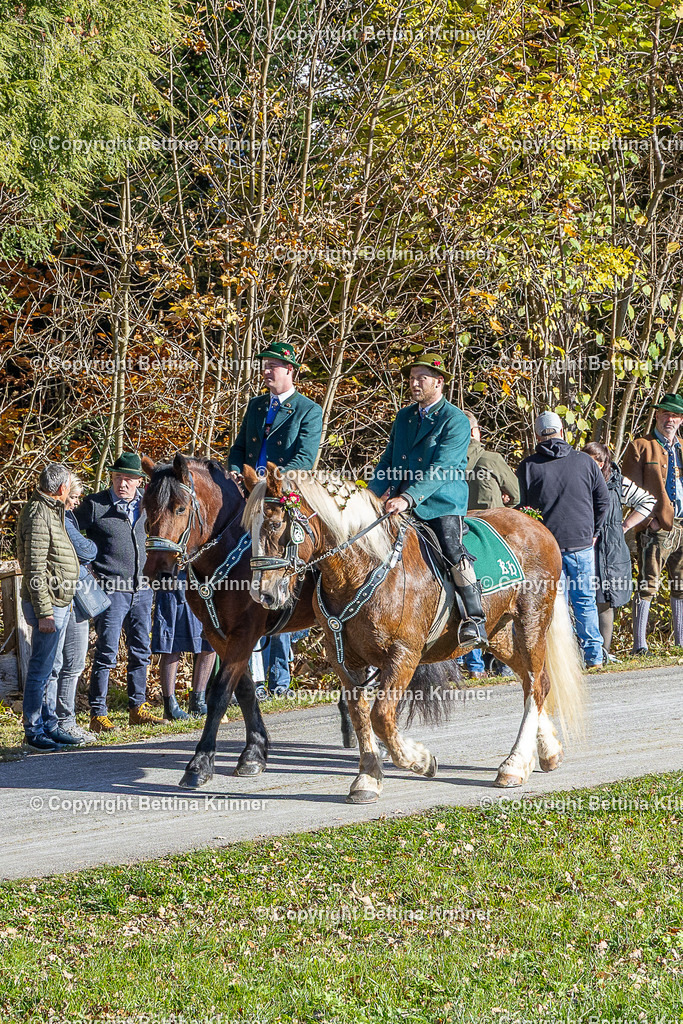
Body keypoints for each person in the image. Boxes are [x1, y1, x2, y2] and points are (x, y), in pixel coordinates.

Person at [368, 352, 488, 648]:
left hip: (441, 502)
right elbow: (388, 462)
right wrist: (368, 496)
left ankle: (474, 619)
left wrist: (408, 498)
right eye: (411, 378)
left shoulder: (455, 420)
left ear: (439, 382)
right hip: (401, 501)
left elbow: (443, 468)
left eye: (421, 378)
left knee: (451, 548)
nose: (414, 383)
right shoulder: (404, 417)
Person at [228, 340, 323, 698]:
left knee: (287, 569)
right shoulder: (255, 406)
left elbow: (305, 458)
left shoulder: (307, 409)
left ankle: (280, 675)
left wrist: (270, 480)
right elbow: (239, 447)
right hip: (250, 492)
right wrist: (236, 470)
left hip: (285, 494)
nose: (266, 371)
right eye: (264, 365)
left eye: (272, 366)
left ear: (290, 371)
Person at [75, 451, 163, 731]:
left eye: (128, 479)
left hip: (143, 589)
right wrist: (88, 568)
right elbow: (68, 530)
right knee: (106, 653)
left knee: (141, 651)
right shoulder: (95, 505)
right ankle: (97, 714)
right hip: (111, 591)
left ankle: (138, 708)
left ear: (139, 481)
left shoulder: (148, 505)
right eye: (117, 478)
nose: (122, 484)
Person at [517, 411, 609, 668]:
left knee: (556, 607)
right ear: (562, 432)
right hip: (582, 543)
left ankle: (564, 661)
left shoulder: (528, 466)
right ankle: (594, 655)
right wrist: (593, 531)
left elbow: (523, 510)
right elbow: (603, 501)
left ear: (537, 436)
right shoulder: (585, 461)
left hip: (547, 548)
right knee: (585, 601)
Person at [16, 462, 80, 751]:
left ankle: (50, 724)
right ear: (62, 487)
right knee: (41, 668)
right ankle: (34, 730)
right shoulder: (39, 513)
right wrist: (44, 613)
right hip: (49, 604)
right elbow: (34, 568)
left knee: (53, 666)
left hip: (58, 600)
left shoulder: (51, 509)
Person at [621, 392, 683, 653]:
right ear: (657, 415)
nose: (670, 419)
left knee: (681, 585)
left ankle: (680, 642)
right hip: (657, 527)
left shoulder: (681, 446)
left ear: (681, 420)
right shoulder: (641, 446)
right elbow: (628, 489)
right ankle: (640, 645)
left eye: (675, 415)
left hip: (682, 524)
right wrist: (649, 521)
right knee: (648, 584)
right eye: (666, 414)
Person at [583, 442, 656, 661]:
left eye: (594, 460)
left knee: (606, 599)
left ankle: (604, 653)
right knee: (583, 597)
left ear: (602, 462)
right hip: (585, 545)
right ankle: (587, 652)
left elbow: (648, 500)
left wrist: (624, 526)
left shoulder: (618, 481)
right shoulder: (577, 480)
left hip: (612, 548)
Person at [462, 411, 520, 678]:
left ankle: (474, 666)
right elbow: (516, 495)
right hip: (492, 535)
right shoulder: (492, 459)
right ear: (476, 432)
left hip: (460, 536)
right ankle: (503, 663)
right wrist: (503, 498)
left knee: (467, 598)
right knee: (501, 594)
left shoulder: (448, 462)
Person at [44, 475, 100, 745]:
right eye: (74, 497)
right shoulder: (59, 519)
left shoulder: (69, 518)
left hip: (77, 598)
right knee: (57, 665)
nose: (77, 503)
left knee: (74, 664)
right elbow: (88, 551)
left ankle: (66, 721)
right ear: (63, 493)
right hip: (59, 597)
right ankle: (52, 722)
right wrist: (90, 544)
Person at [151, 571, 215, 720]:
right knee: (173, 644)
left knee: (211, 642)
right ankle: (170, 707)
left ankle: (198, 702)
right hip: (175, 580)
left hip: (206, 580)